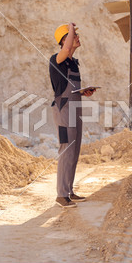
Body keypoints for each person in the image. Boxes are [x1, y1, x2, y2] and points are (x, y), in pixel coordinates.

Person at [49, 23, 95, 208]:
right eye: (73, 36)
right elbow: (66, 48)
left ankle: (68, 191)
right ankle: (61, 195)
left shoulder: (74, 63)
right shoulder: (56, 59)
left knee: (74, 152)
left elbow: (71, 87)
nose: (77, 38)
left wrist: (84, 92)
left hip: (75, 107)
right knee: (66, 150)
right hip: (64, 109)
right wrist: (70, 27)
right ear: (63, 40)